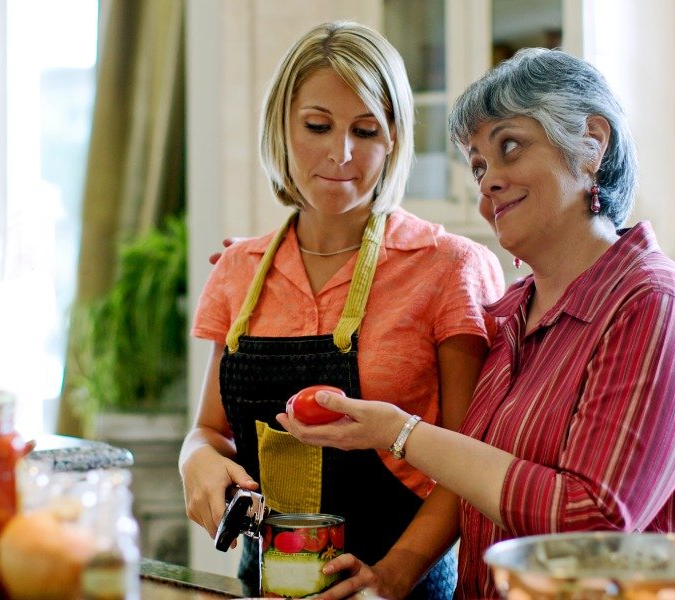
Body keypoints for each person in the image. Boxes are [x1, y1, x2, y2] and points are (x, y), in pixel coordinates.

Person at [278, 47, 675, 600]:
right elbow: (476, 490)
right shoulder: (509, 319)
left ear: (592, 143)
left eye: (510, 147)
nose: (488, 182)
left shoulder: (657, 308)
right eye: (478, 166)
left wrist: (398, 432)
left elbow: (590, 524)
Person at [177, 21, 504, 598]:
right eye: (317, 126)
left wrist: (391, 577)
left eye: (366, 130)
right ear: (281, 126)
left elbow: (469, 463)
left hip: (404, 584)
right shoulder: (239, 271)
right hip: (267, 580)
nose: (341, 153)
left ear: (395, 139)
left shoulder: (448, 267)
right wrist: (194, 460)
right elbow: (209, 431)